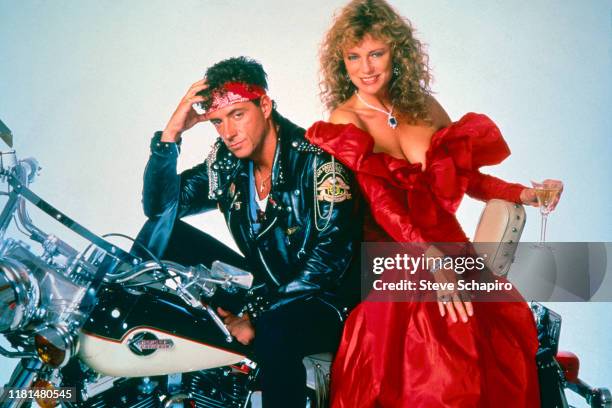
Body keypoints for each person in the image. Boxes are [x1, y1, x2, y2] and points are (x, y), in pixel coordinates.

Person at [305, 0, 563, 407]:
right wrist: (431, 260)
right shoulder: (345, 119)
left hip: (454, 251)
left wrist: (525, 194)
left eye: (376, 53)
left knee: (495, 348)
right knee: (437, 361)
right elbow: (383, 204)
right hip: (396, 254)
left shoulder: (424, 107)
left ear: (398, 53)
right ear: (341, 62)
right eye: (353, 57)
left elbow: (467, 176)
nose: (366, 68)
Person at [136, 56, 362, 407]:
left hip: (326, 302)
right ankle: (140, 364)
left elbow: (328, 263)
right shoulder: (227, 164)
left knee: (274, 331)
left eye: (238, 114)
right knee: (164, 235)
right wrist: (170, 137)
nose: (228, 132)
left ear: (265, 105)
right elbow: (161, 208)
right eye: (217, 121)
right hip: (269, 289)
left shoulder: (318, 164)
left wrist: (254, 315)